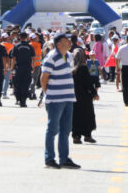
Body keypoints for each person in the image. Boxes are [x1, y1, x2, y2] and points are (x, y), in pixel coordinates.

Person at [41, 33, 80, 170]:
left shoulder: (69, 56)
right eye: (66, 40)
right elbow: (44, 77)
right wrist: (47, 93)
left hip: (68, 97)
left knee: (66, 130)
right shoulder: (51, 57)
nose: (69, 42)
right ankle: (49, 159)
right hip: (55, 99)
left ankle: (64, 159)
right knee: (52, 129)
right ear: (58, 44)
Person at [71, 48, 97, 144]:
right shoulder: (83, 68)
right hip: (84, 96)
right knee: (87, 115)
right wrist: (94, 93)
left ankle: (76, 136)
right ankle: (87, 135)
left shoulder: (70, 68)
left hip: (73, 96)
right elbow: (88, 83)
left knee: (75, 116)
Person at [10, 32, 35, 107]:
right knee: (26, 84)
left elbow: (13, 59)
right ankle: (23, 101)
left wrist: (11, 68)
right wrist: (32, 68)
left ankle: (18, 98)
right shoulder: (30, 46)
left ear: (19, 37)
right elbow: (33, 58)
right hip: (27, 68)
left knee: (17, 84)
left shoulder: (16, 46)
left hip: (18, 68)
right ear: (26, 37)